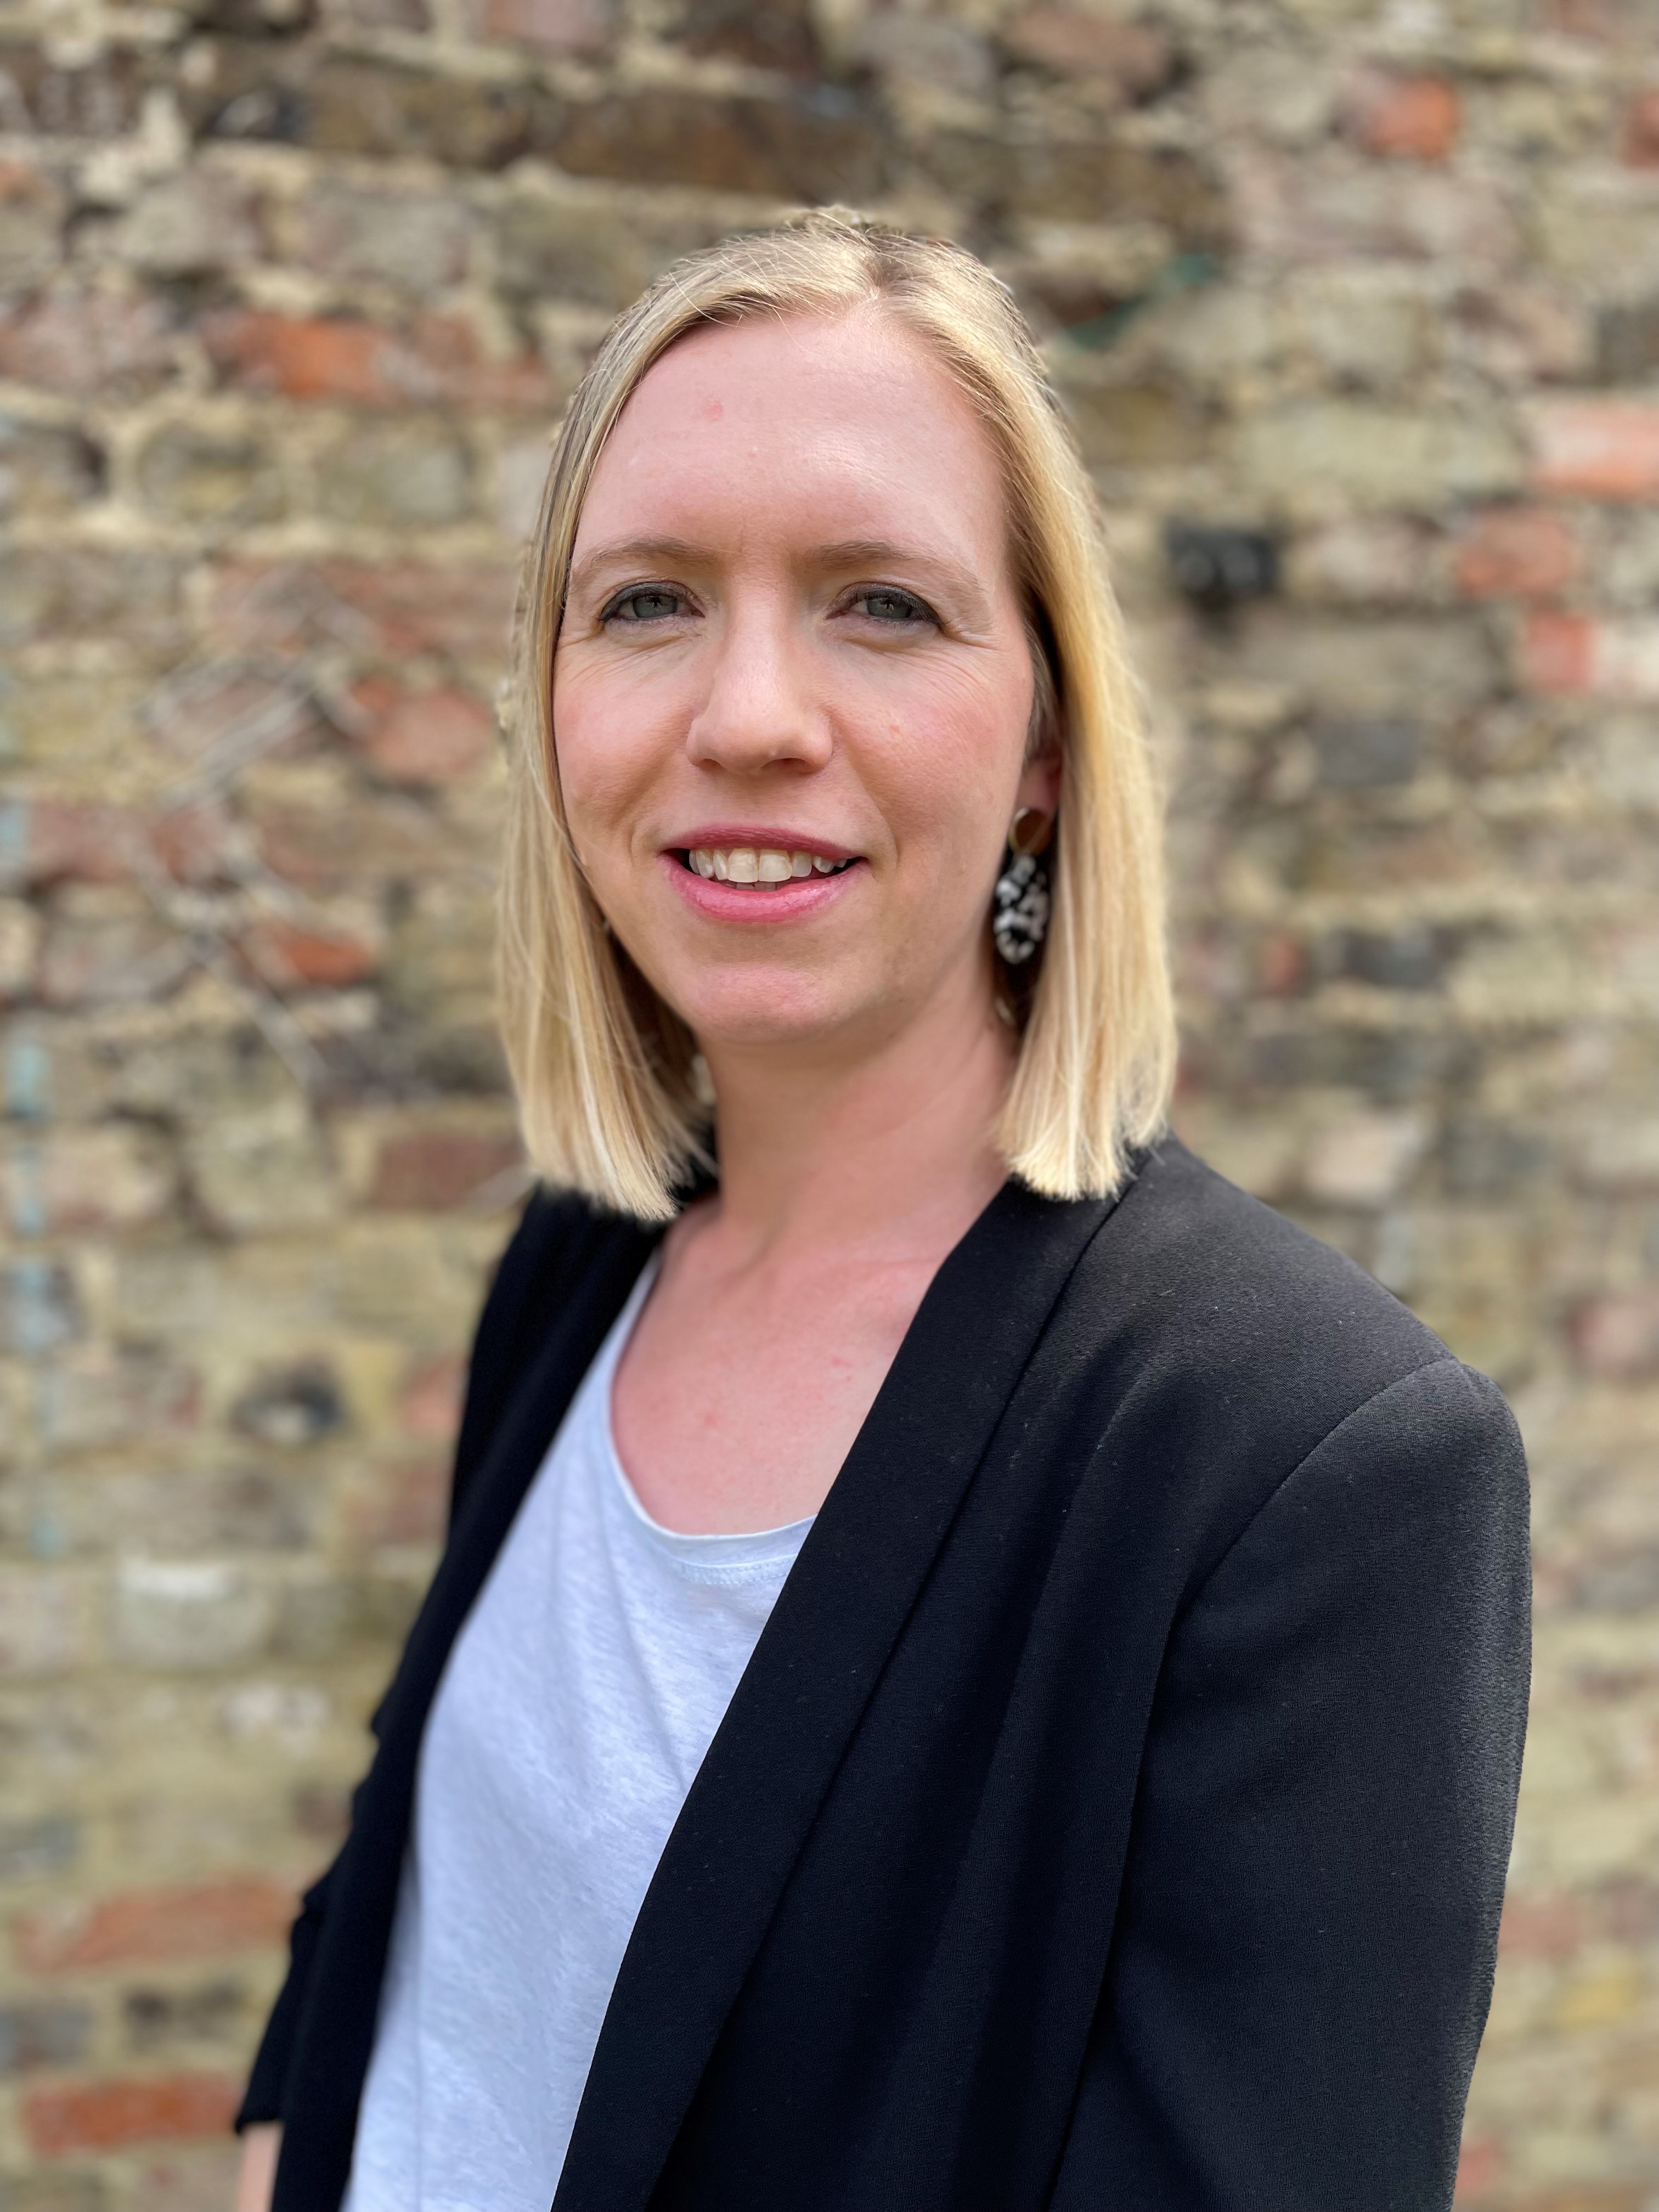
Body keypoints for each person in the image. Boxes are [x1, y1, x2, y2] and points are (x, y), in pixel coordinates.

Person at [233, 211, 1530, 2212]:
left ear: (1044, 748)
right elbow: (404, 1907)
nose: (749, 713)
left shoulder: (1303, 1466)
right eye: (648, 601)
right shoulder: (584, 1264)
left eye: (883, 606)